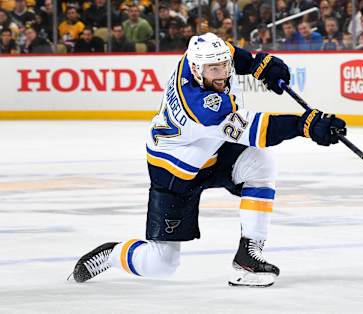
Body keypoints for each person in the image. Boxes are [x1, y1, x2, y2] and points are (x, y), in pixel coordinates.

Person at [71, 32, 346, 288]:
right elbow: (258, 130)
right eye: (214, 70)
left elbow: (232, 54)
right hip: (175, 170)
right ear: (196, 70)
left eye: (224, 67)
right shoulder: (202, 106)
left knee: (261, 162)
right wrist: (306, 126)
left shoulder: (202, 58)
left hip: (212, 150)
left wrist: (258, 65)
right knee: (161, 264)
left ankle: (247, 259)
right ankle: (112, 254)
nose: (222, 74)